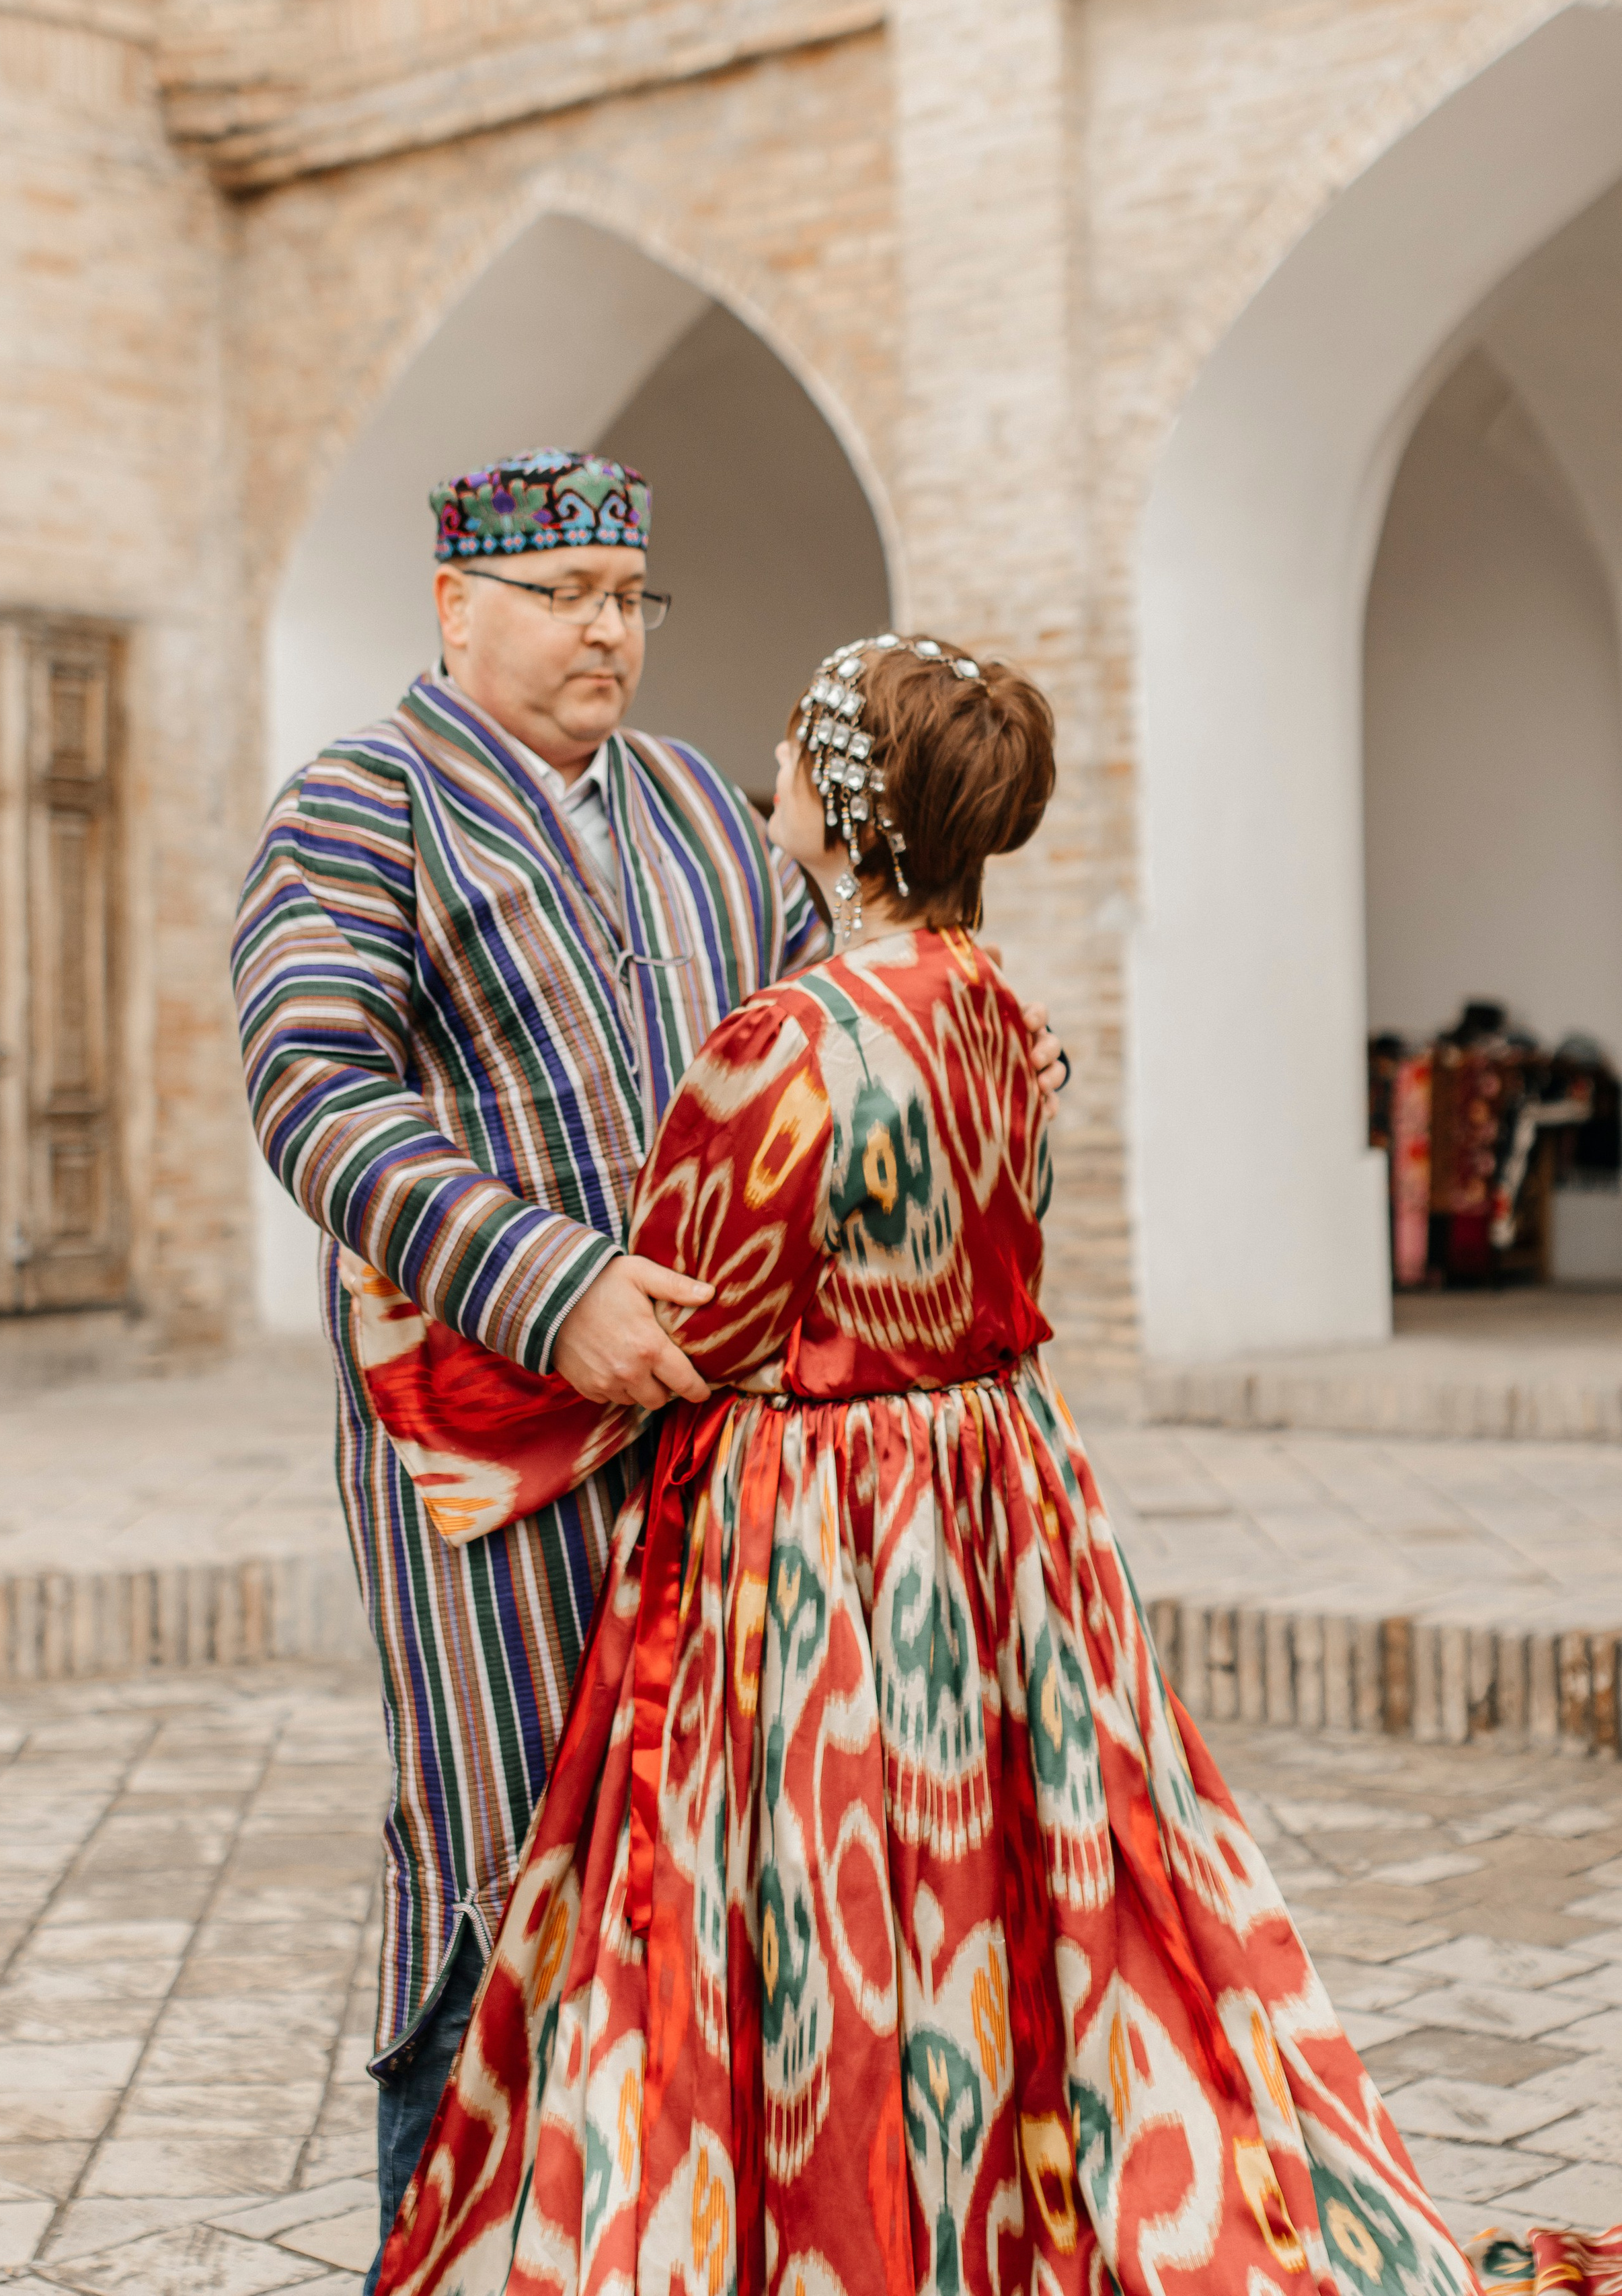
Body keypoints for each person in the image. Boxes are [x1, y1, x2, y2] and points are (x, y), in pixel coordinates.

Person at [371, 631, 1495, 2296]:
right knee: (1016, 1864)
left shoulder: (785, 1037)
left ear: (843, 803)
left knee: (817, 1893)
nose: (763, 770)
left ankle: (827, 2223)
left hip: (818, 1524)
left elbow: (689, 1318)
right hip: (997, 1499)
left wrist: (422, 1310)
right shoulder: (1002, 1012)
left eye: (788, 743)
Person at [230, 455, 1068, 2287]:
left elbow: (811, 1054)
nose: (608, 624)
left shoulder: (703, 803)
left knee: (709, 1875)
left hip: (735, 1457)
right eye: (563, 591)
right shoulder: (355, 812)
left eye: (630, 591)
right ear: (458, 609)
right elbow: (313, 1090)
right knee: (507, 1868)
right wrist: (555, 1287)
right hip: (491, 1452)